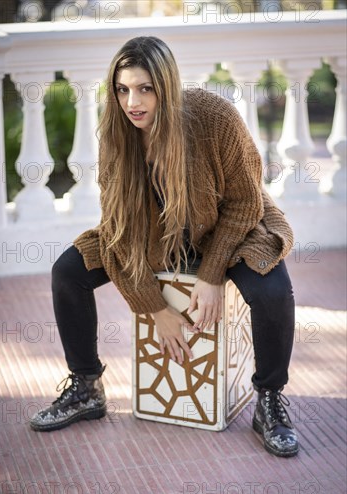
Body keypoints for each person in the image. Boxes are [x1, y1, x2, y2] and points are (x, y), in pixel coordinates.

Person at [30, 36, 298, 458]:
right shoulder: (117, 135)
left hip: (229, 229)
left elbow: (246, 201)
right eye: (122, 89)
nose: (132, 102)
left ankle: (269, 400)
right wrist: (154, 309)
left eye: (144, 89)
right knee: (68, 272)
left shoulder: (214, 118)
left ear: (166, 86)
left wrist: (212, 275)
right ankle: (86, 387)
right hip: (148, 238)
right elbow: (119, 231)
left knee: (272, 290)